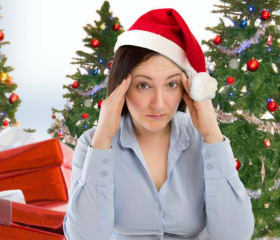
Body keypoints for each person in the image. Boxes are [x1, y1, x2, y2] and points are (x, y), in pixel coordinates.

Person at [63, 8, 255, 240]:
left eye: (172, 85)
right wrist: (103, 140)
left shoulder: (203, 141)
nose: (159, 104)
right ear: (121, 87)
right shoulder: (93, 143)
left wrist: (213, 135)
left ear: (187, 88)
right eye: (144, 85)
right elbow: (84, 237)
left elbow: (235, 236)